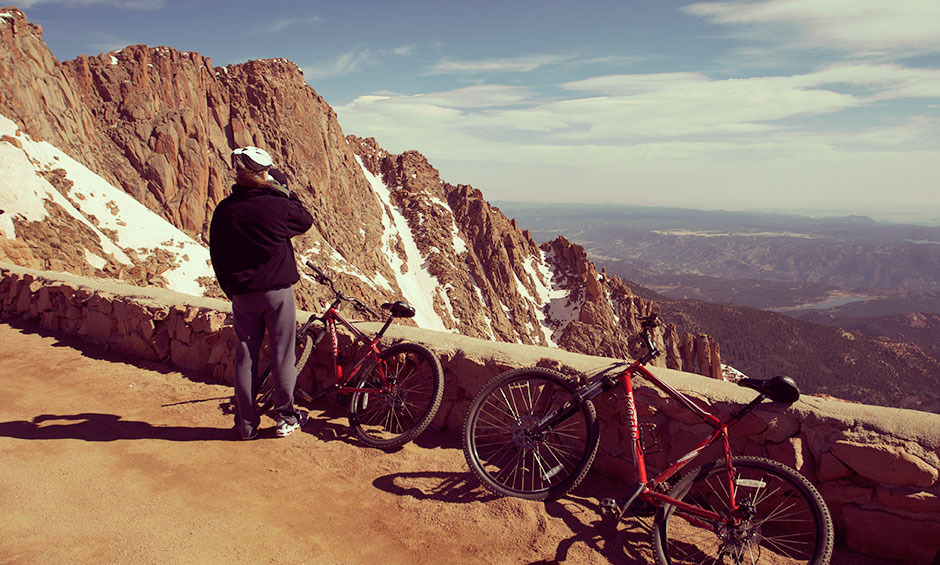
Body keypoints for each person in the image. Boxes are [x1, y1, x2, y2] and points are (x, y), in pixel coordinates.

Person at [209, 146, 314, 440]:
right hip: (277, 292)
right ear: (263, 172)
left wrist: (231, 289)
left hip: (243, 294)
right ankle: (286, 418)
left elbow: (217, 253)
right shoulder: (276, 205)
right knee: (282, 355)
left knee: (246, 357)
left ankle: (245, 425)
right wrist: (284, 190)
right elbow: (304, 221)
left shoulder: (225, 209)